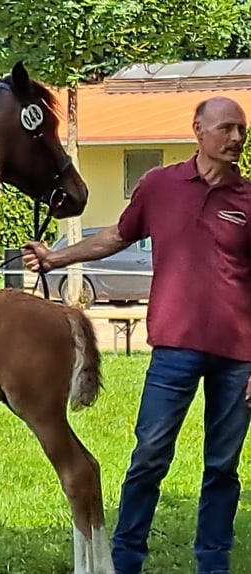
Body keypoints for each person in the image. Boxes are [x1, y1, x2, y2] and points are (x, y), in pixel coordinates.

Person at [21, 96, 251, 574]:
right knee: (148, 457)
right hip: (173, 351)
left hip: (239, 358)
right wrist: (55, 259)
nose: (235, 139)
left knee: (222, 468)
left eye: (241, 131)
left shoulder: (248, 200)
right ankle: (124, 561)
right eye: (226, 128)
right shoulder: (160, 185)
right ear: (198, 130)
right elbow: (116, 237)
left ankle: (214, 563)